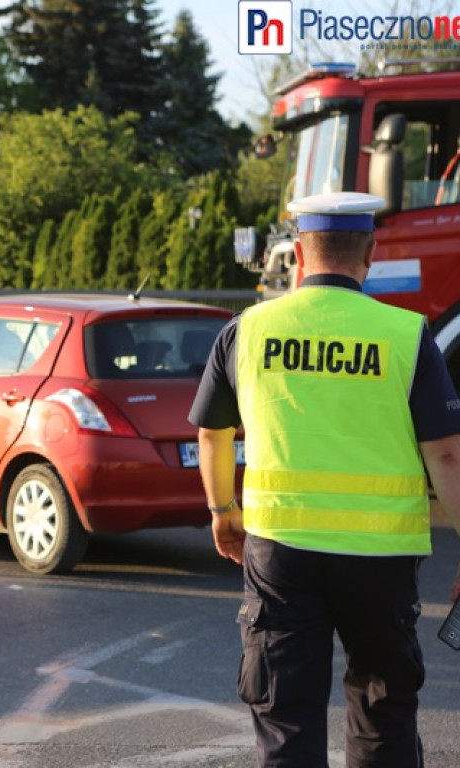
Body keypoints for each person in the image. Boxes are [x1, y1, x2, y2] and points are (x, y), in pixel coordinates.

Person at [188, 191, 460, 767]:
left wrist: (222, 513)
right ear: (371, 252)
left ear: (300, 255)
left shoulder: (247, 330)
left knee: (286, 713)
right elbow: (446, 456)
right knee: (383, 711)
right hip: (380, 553)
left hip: (280, 551)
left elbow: (213, 435)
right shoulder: (407, 335)